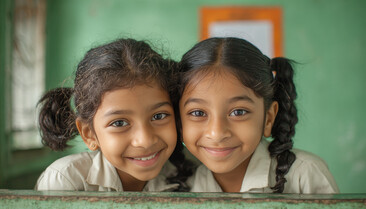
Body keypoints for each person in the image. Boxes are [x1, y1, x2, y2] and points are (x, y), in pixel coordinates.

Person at [178, 37, 339, 193]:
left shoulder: (305, 175)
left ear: (268, 118)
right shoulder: (175, 181)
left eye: (238, 112)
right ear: (179, 119)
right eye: (198, 113)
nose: (217, 133)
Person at [35, 38, 193, 192]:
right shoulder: (66, 181)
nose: (144, 141)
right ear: (89, 134)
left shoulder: (193, 177)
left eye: (158, 116)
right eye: (119, 123)